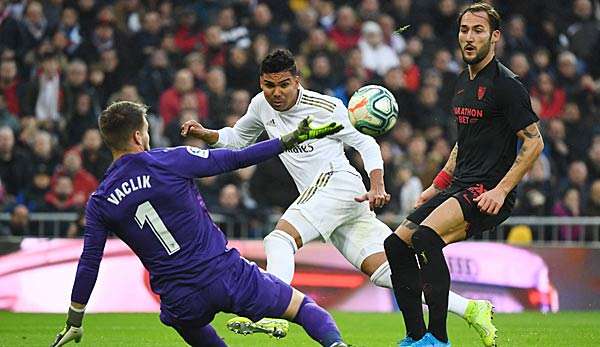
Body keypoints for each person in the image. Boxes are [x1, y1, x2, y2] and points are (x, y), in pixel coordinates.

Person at [181, 49, 495, 342]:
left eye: (284, 85)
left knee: (279, 240)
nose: (276, 92)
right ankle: (470, 309)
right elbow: (238, 139)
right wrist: (206, 134)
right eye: (269, 85)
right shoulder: (261, 105)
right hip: (334, 200)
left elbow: (367, 144)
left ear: (297, 80)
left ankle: (272, 312)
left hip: (339, 183)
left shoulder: (327, 108)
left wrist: (378, 184)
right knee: (386, 272)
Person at [50, 100, 350, 347]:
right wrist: (288, 139)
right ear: (139, 137)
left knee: (197, 333)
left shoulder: (100, 200)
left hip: (180, 297)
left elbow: (89, 262)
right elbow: (236, 159)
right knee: (304, 308)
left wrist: (75, 320)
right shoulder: (170, 160)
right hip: (226, 273)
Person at [384, 3, 544, 347]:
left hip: (487, 192)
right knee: (396, 245)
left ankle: (437, 339)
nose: (469, 38)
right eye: (464, 30)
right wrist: (436, 186)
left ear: (495, 37)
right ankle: (414, 338)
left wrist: (500, 191)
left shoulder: (507, 85)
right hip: (458, 186)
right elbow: (463, 143)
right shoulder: (462, 81)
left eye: (478, 30)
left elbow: (534, 143)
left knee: (426, 238)